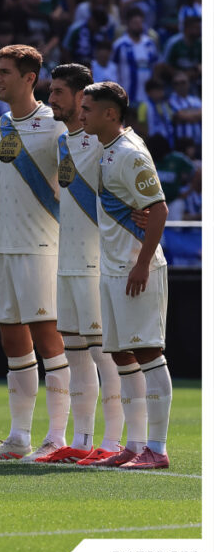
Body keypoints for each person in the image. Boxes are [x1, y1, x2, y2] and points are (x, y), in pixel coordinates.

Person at [0, 45, 69, 462]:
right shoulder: (4, 123)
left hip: (42, 247)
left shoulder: (55, 125)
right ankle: (18, 437)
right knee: (12, 340)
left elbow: (74, 185)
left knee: (49, 340)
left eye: (5, 72)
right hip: (7, 247)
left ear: (30, 78)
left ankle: (58, 436)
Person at [78, 82, 172, 470]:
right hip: (114, 268)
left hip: (136, 270)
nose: (81, 114)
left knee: (148, 351)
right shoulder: (108, 149)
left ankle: (157, 449)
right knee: (120, 354)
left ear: (110, 114)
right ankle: (135, 445)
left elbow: (159, 209)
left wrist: (142, 264)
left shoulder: (130, 153)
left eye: (87, 108)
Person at [36, 64, 125, 464]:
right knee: (75, 353)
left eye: (58, 92)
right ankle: (83, 439)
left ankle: (114, 441)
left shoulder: (107, 142)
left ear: (80, 96)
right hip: (66, 259)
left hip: (96, 262)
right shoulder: (64, 141)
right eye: (50, 90)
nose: (51, 99)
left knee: (104, 355)